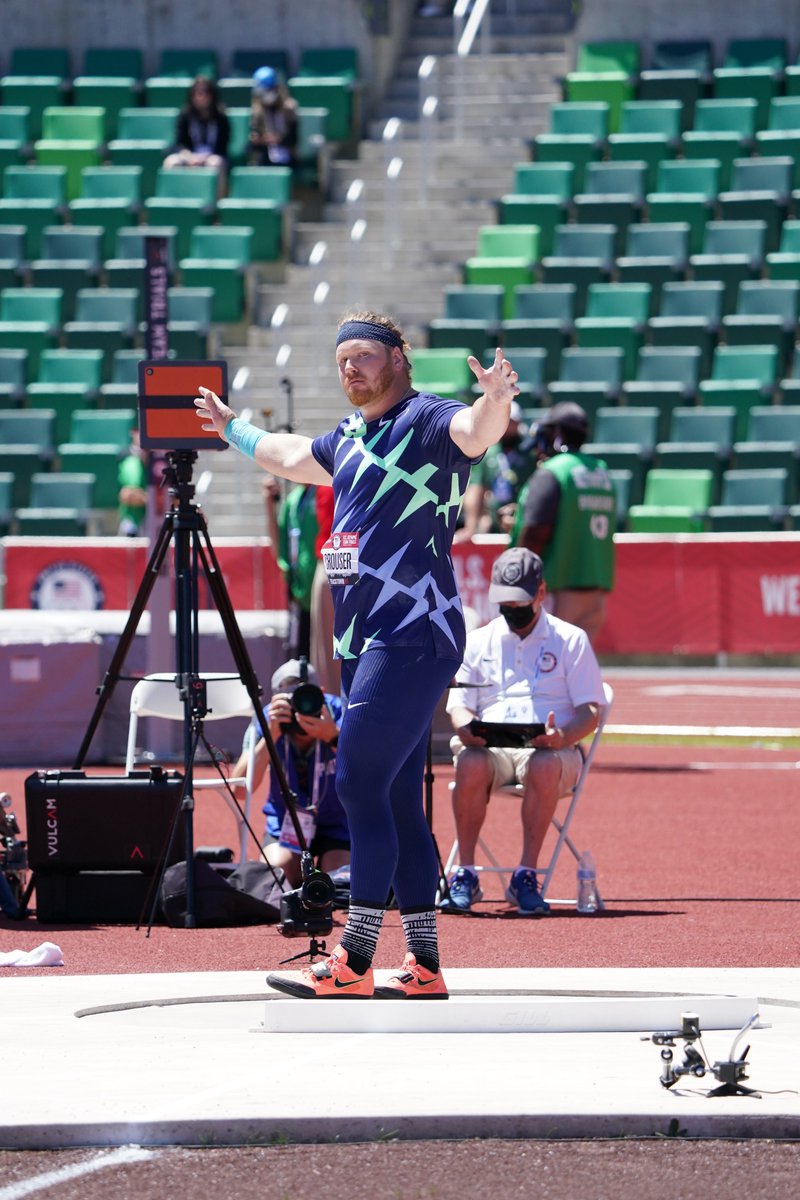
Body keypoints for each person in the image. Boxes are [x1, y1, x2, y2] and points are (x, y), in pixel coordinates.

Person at [194, 310, 519, 999]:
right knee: (395, 796)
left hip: (412, 631)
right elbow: (288, 456)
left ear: (398, 358)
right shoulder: (347, 437)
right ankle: (424, 965)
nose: (350, 368)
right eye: (342, 360)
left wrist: (495, 401)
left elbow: (476, 432)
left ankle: (357, 957)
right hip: (365, 638)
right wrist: (231, 428)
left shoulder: (429, 420)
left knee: (357, 783)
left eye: (364, 356)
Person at [445, 546, 605, 914]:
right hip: (492, 748)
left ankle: (526, 875)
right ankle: (466, 873)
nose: (511, 611)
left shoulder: (570, 640)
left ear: (541, 593)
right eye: (505, 603)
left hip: (553, 749)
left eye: (519, 603)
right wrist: (465, 727)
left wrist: (561, 737)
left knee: (544, 764)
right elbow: (458, 704)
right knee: (469, 760)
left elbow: (590, 711)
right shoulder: (478, 641)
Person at [233, 658, 349, 889]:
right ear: (276, 699)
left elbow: (370, 773)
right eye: (291, 700)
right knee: (276, 878)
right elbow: (239, 789)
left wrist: (334, 737)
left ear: (321, 693)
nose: (299, 707)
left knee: (339, 883)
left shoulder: (338, 712)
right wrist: (271, 735)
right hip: (286, 825)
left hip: (338, 824)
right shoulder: (267, 719)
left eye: (306, 697)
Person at [511, 402, 616, 645]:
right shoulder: (601, 471)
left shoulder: (554, 471)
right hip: (595, 589)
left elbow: (536, 533)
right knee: (575, 663)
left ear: (557, 433)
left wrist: (518, 584)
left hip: (559, 588)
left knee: (544, 662)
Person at [454, 400, 535, 541]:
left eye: (511, 421)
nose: (507, 426)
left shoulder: (529, 454)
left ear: (518, 423)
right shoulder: (488, 452)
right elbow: (477, 489)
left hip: (522, 522)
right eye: (505, 421)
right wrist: (471, 526)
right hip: (494, 522)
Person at [262, 475, 318, 660]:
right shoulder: (293, 500)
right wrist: (270, 506)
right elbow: (280, 549)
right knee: (302, 658)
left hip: (326, 592)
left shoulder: (327, 492)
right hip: (300, 593)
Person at [163, 75, 230, 196]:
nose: (201, 96)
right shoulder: (185, 115)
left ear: (212, 95)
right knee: (171, 162)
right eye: (197, 92)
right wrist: (190, 157)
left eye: (205, 92)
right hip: (189, 155)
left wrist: (204, 158)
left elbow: (223, 146)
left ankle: (217, 204)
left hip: (211, 156)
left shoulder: (221, 118)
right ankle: (172, 202)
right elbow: (179, 142)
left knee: (216, 163)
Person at [248, 66, 298, 168]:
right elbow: (253, 138)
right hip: (264, 157)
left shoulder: (289, 108)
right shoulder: (257, 110)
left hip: (287, 157)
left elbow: (294, 138)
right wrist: (258, 139)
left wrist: (278, 139)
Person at [117, 428, 148, 536]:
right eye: (138, 432)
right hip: (134, 524)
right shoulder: (131, 463)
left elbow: (174, 499)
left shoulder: (161, 462)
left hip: (158, 522)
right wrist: (152, 499)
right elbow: (127, 495)